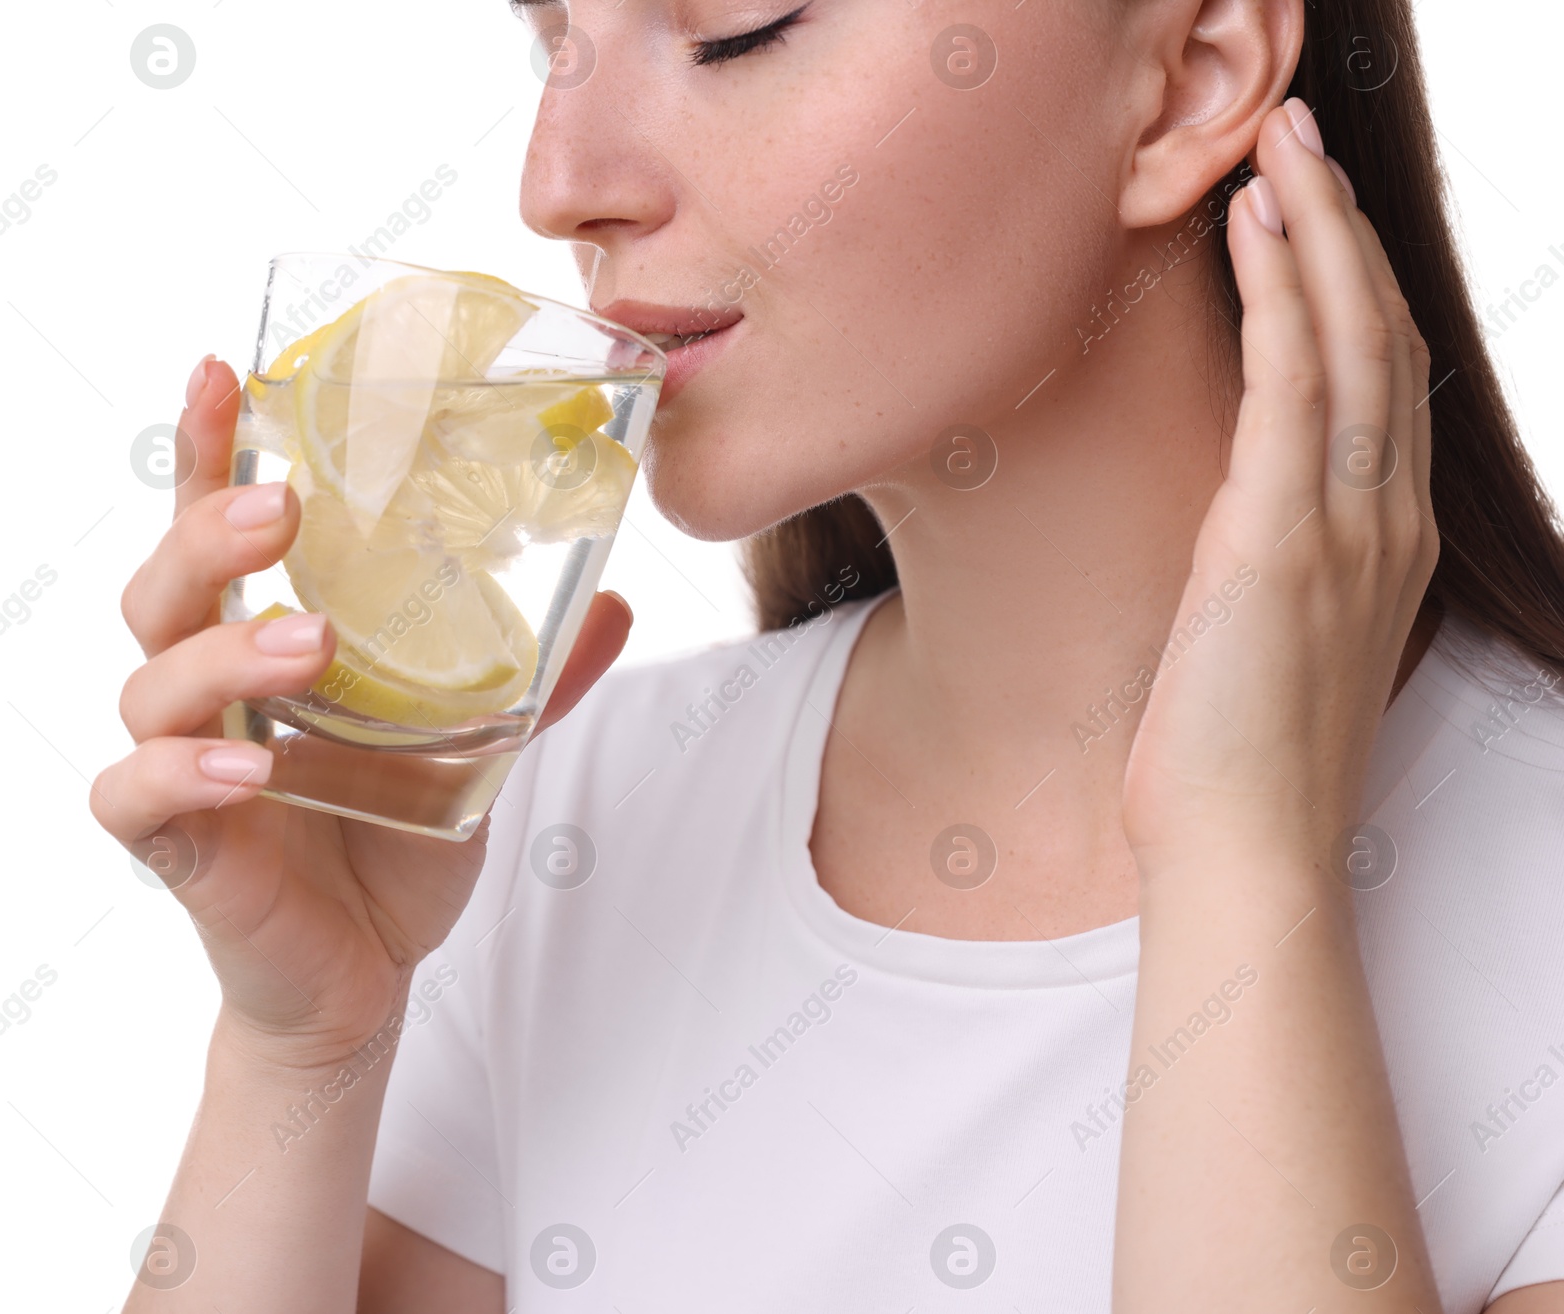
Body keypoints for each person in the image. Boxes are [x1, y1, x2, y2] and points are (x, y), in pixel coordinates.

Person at [95, 0, 1564, 1309]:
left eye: (734, 29)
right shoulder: (574, 813)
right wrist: (303, 1046)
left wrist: (1247, 872)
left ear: (1189, 75)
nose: (559, 186)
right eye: (554, 41)